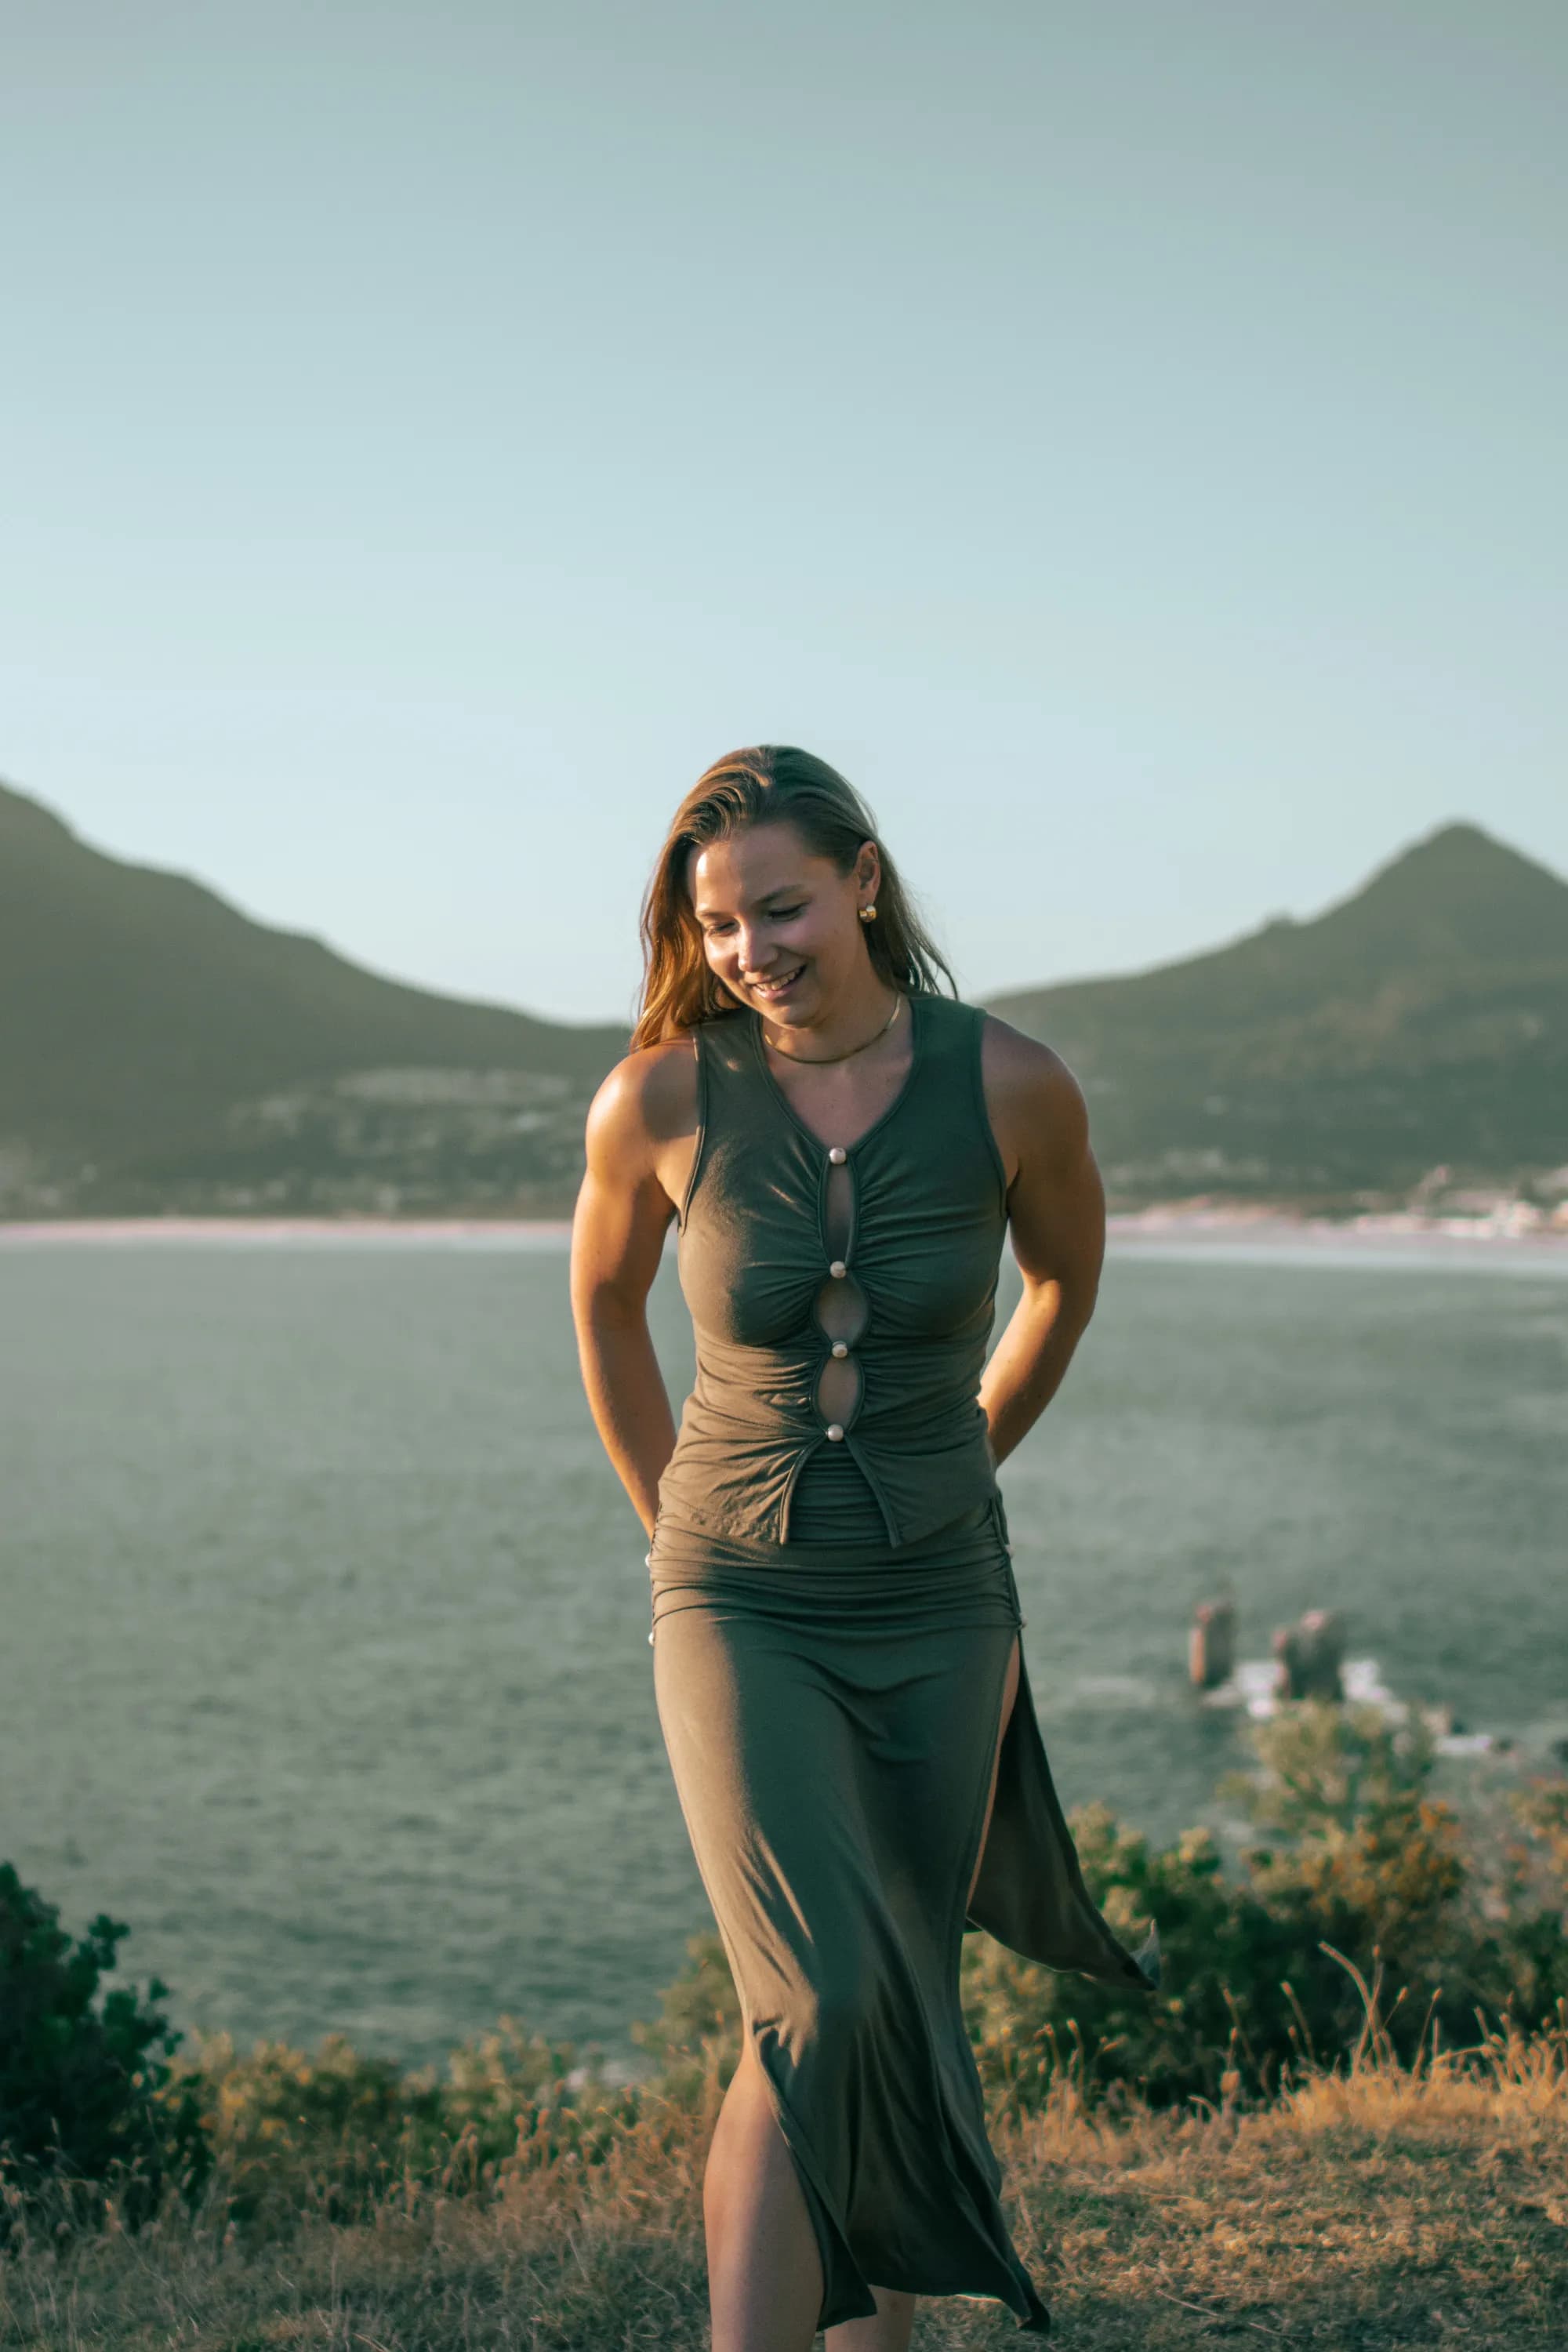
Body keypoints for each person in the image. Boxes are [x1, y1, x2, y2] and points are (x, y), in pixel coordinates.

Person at [570, 746, 1156, 2350]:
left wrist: (963, 1458)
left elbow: (1062, 1286)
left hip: (941, 1603)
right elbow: (606, 1311)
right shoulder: (661, 1097)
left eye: (780, 907)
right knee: (817, 1999)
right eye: (719, 924)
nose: (751, 949)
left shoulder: (1014, 1083)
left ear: (865, 885)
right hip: (734, 1598)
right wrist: (670, 1526)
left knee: (888, 1994)